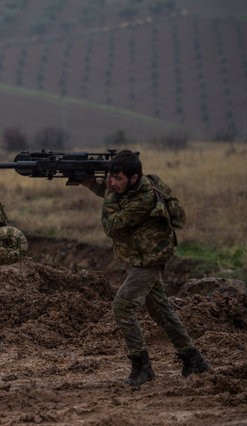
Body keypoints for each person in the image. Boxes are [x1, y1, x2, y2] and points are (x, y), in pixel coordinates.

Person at [80, 149, 210, 386]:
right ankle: (194, 360)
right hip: (142, 258)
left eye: (118, 178)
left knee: (122, 306)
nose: (111, 183)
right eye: (110, 176)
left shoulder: (144, 199)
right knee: (161, 311)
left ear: (134, 178)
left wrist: (107, 194)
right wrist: (89, 182)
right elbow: (113, 191)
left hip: (149, 261)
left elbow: (112, 226)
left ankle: (142, 366)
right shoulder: (134, 187)